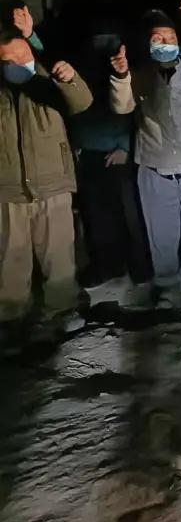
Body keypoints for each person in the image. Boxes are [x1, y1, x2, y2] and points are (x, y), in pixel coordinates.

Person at [110, 10, 181, 299]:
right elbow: (121, 106)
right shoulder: (137, 75)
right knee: (161, 231)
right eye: (158, 38)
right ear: (147, 43)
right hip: (154, 165)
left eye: (170, 37)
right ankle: (168, 282)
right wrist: (121, 76)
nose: (165, 42)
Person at [1, 30, 91, 340]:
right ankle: (10, 317)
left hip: (53, 184)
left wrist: (69, 79)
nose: (16, 63)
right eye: (8, 60)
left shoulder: (49, 82)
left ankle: (62, 308)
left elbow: (82, 101)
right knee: (10, 258)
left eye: (22, 56)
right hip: (8, 190)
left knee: (58, 254)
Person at [67, 25, 152, 291]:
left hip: (120, 152)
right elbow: (76, 109)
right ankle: (107, 266)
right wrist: (76, 145)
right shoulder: (81, 67)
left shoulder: (126, 67)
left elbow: (136, 111)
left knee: (129, 215)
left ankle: (140, 267)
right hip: (88, 152)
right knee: (96, 217)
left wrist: (126, 147)